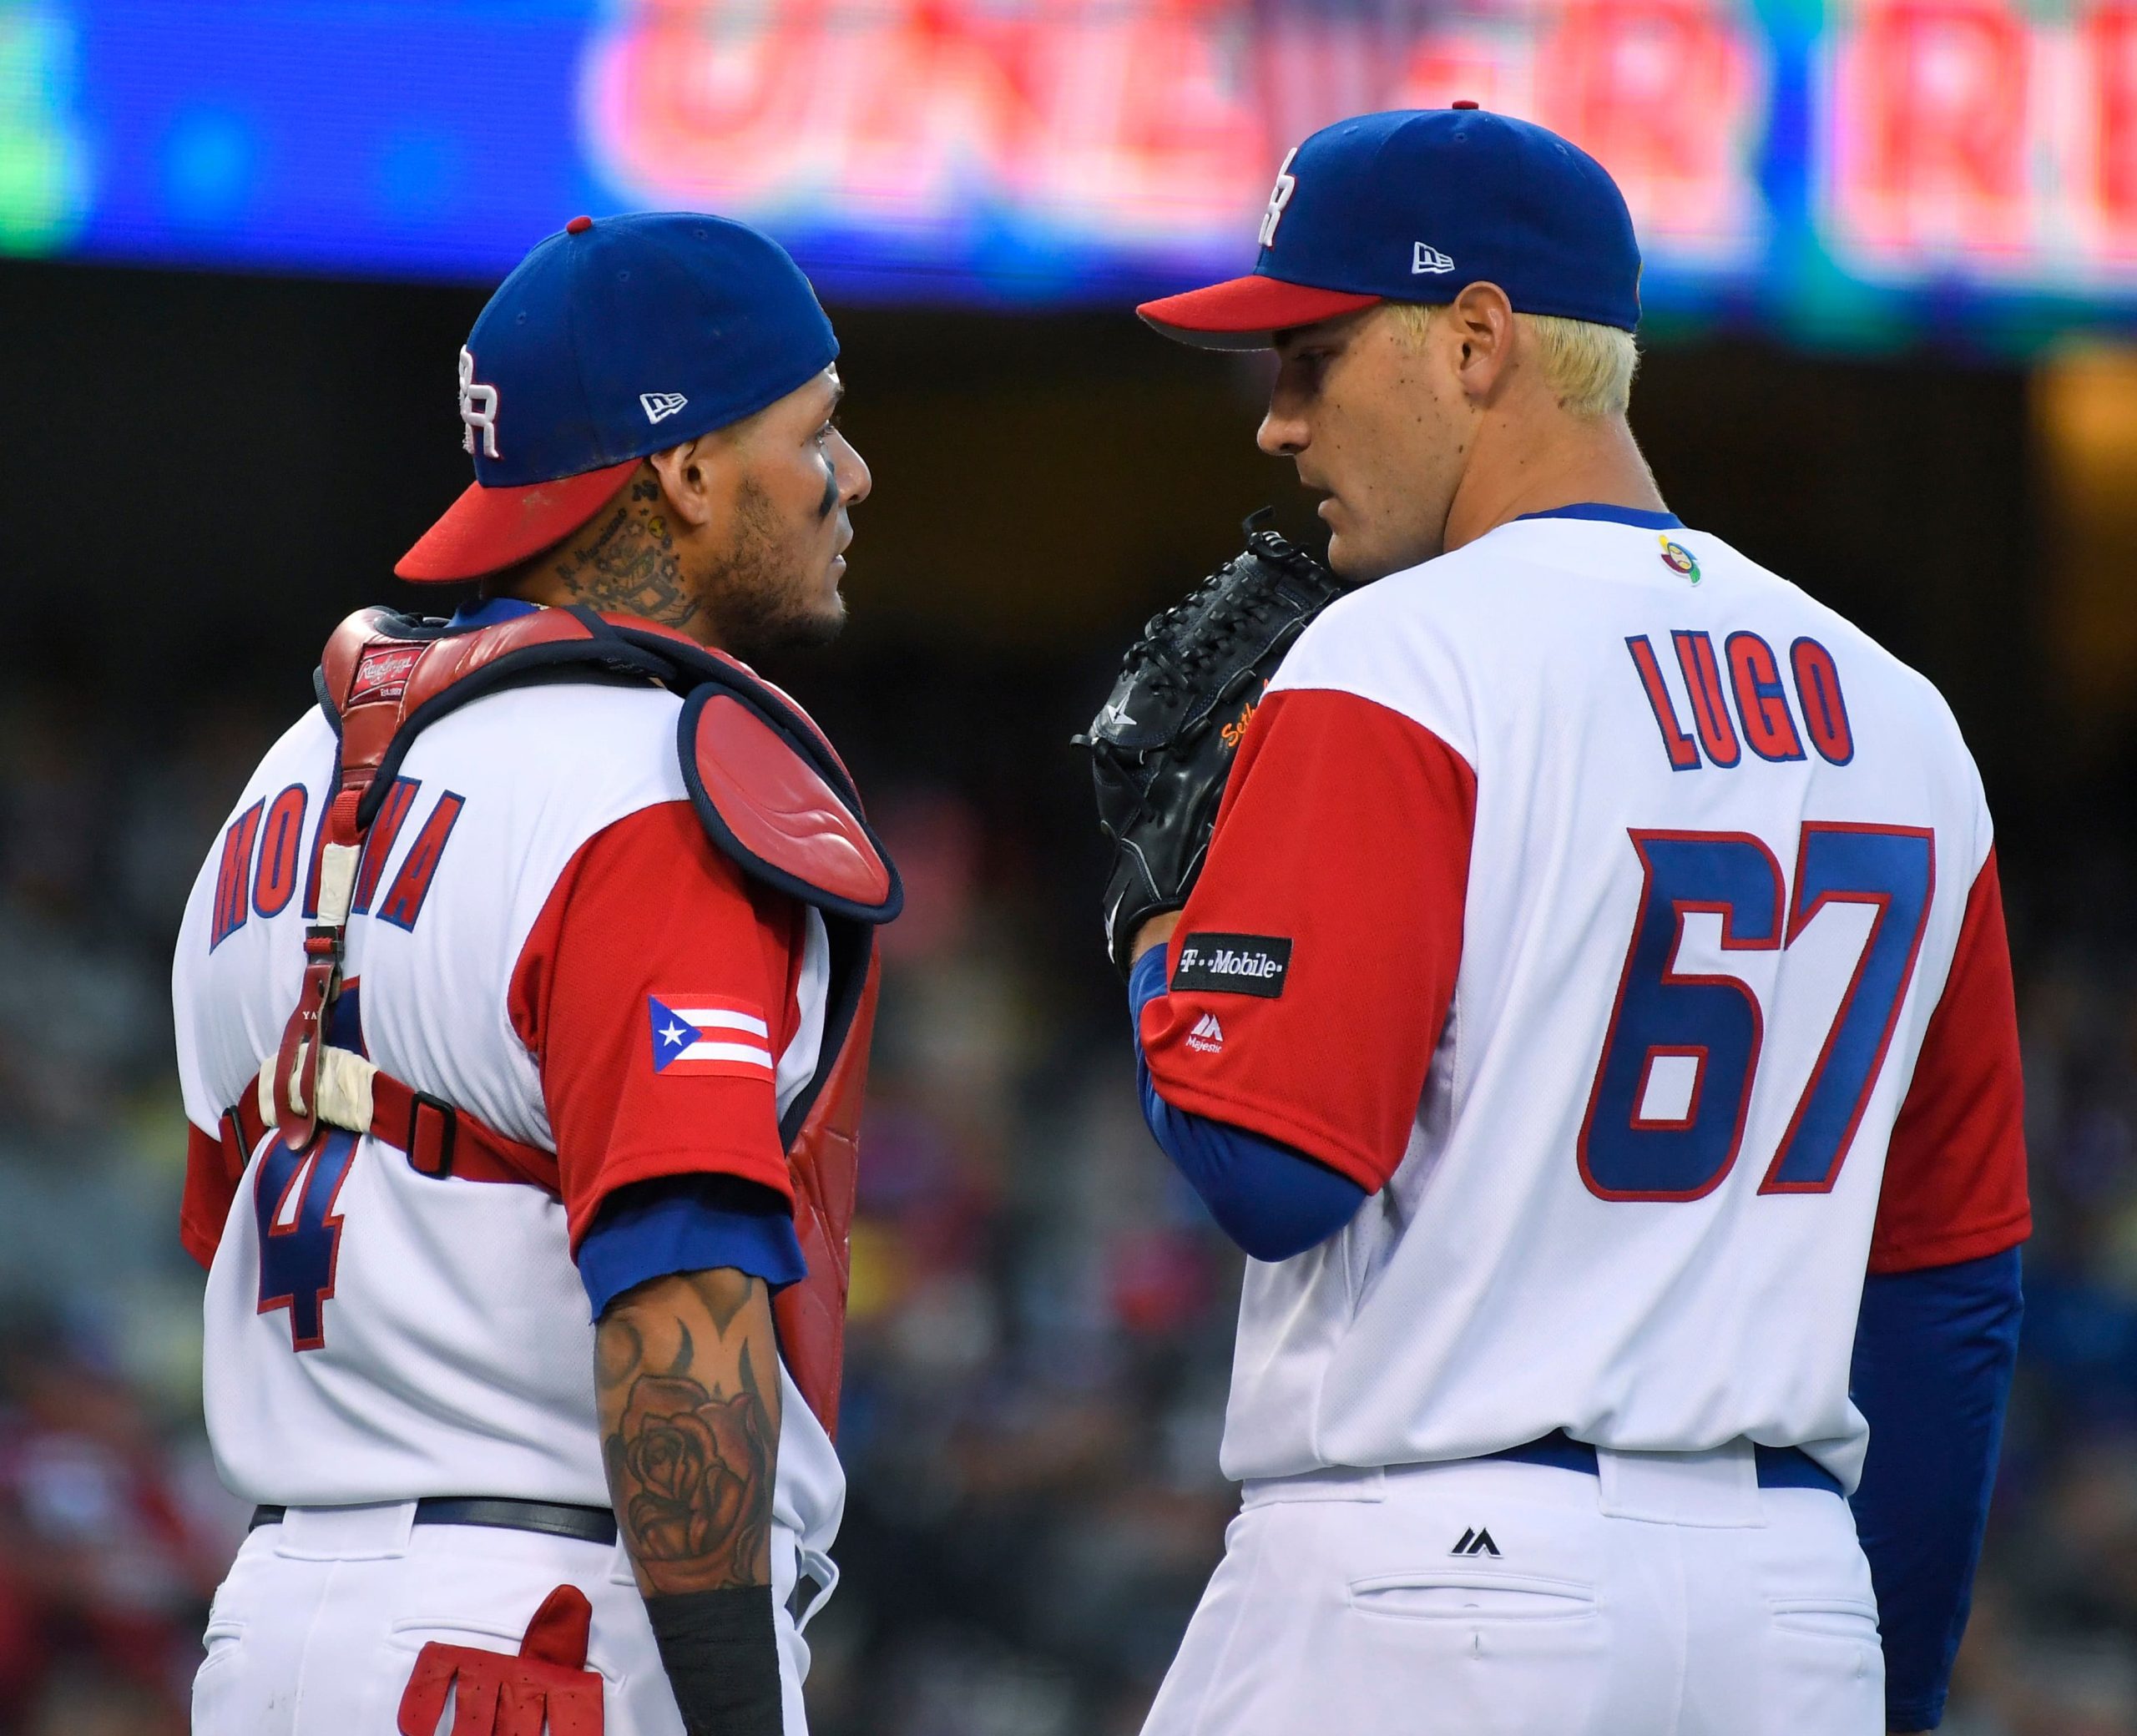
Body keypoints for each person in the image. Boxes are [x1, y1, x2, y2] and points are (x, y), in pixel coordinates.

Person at [1103, 108, 2028, 1735]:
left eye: (1308, 353)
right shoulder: (1905, 716)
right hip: (1790, 1600)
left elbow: (1273, 1164)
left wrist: (1158, 932)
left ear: (1474, 341)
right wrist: (1888, 1671)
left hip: (1427, 1581)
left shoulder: (1400, 662)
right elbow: (1946, 1281)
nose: (1277, 421)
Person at [172, 211, 898, 1736]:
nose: (851, 479)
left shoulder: (282, 783)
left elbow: (222, 1225)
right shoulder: (649, 789)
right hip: (546, 1632)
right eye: (815, 430)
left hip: (274, 1627)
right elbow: (679, 1305)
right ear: (687, 470)